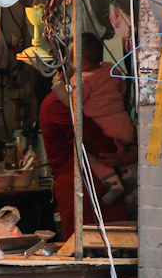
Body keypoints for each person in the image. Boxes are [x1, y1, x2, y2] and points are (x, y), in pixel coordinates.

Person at [40, 71, 136, 240]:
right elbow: (100, 143)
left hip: (105, 194)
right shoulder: (59, 103)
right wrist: (129, 150)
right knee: (87, 249)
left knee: (116, 248)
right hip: (82, 194)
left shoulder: (93, 101)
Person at [52, 33, 136, 206]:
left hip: (106, 128)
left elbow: (72, 101)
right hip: (124, 126)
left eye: (72, 62)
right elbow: (121, 87)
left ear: (84, 64)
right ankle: (127, 175)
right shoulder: (109, 68)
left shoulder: (84, 80)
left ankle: (114, 184)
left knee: (91, 155)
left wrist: (58, 85)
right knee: (118, 147)